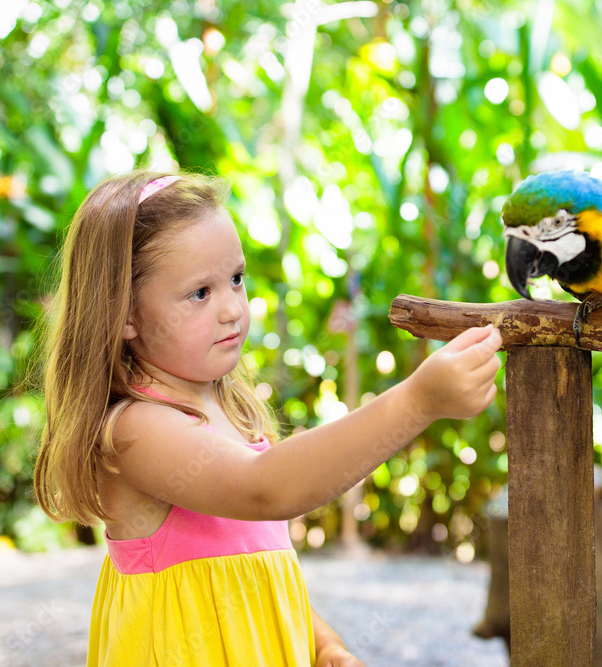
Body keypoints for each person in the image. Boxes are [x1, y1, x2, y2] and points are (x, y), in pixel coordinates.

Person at [32, 170, 503, 666]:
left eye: (236, 279)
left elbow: (261, 567)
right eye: (200, 293)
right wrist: (417, 402)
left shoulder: (227, 411)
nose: (233, 308)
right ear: (124, 314)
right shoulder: (135, 429)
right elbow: (266, 490)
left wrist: (321, 643)